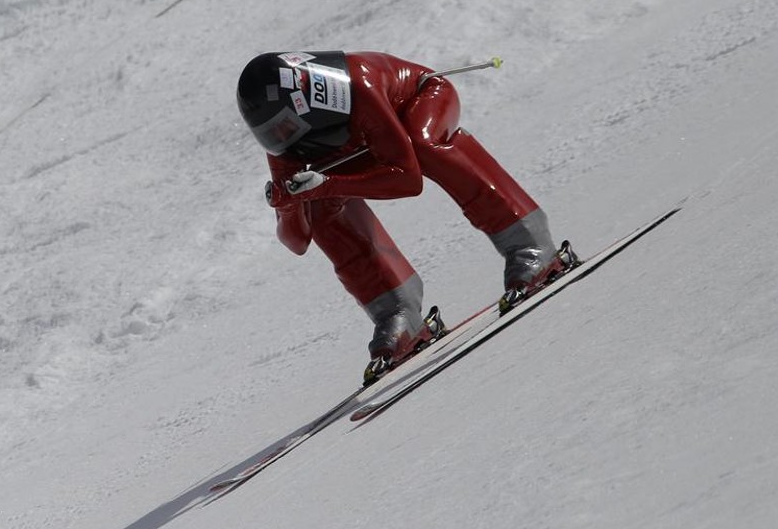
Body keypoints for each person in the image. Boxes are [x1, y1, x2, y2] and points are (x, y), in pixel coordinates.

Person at [236, 51, 574, 384]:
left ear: (304, 99)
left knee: (424, 143)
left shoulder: (358, 86)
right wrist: (288, 204)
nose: (282, 139)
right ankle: (396, 311)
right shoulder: (285, 145)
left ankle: (530, 244)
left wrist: (328, 183)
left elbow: (407, 179)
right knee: (321, 207)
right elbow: (297, 241)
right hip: (369, 145)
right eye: (269, 134)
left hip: (418, 102)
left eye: (285, 125)